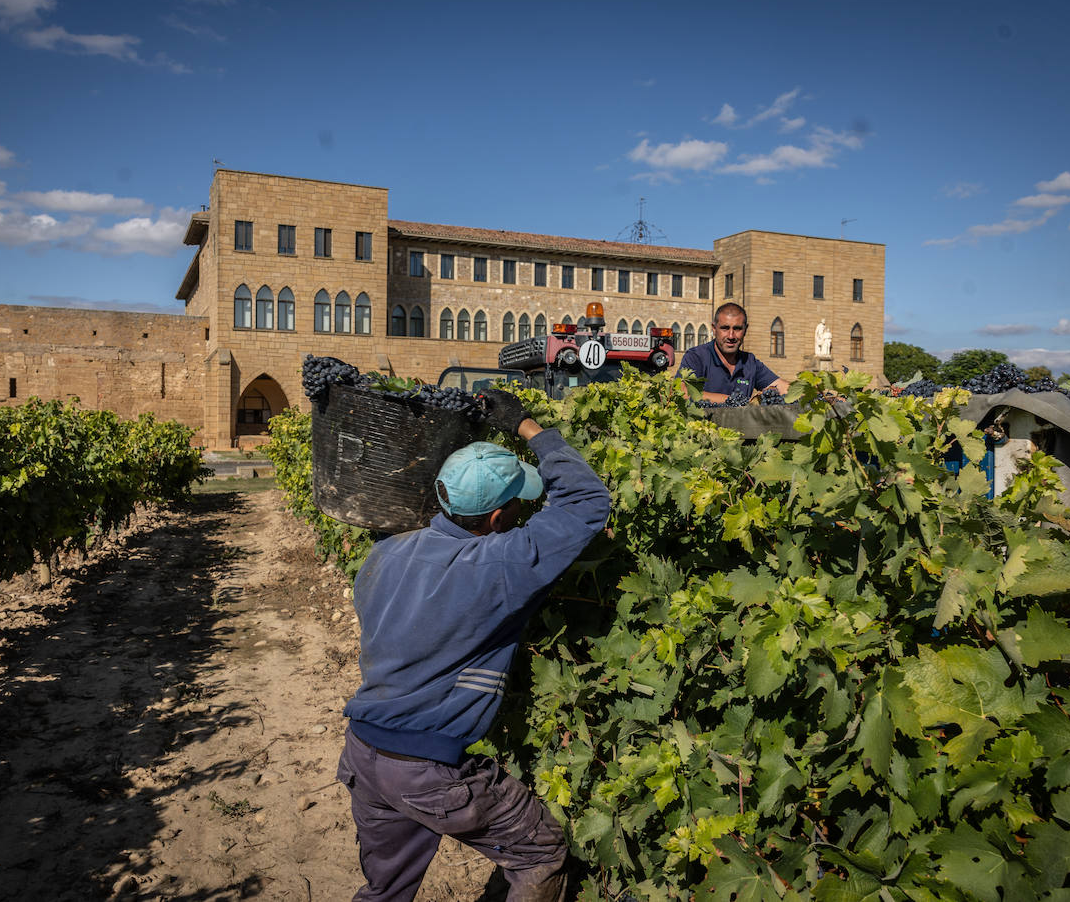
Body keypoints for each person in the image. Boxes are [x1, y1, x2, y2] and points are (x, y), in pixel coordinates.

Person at [337, 388, 611, 901]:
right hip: (426, 767)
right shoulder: (500, 566)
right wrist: (527, 427)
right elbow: (589, 502)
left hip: (364, 754)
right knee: (542, 851)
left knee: (386, 891)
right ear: (495, 520)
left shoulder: (384, 556)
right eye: (514, 506)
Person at [678, 302, 791, 404]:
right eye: (725, 328)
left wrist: (804, 391)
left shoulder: (750, 362)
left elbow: (782, 387)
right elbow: (683, 392)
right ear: (714, 328)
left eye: (737, 329)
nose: (731, 336)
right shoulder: (696, 357)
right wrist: (737, 401)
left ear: (745, 330)